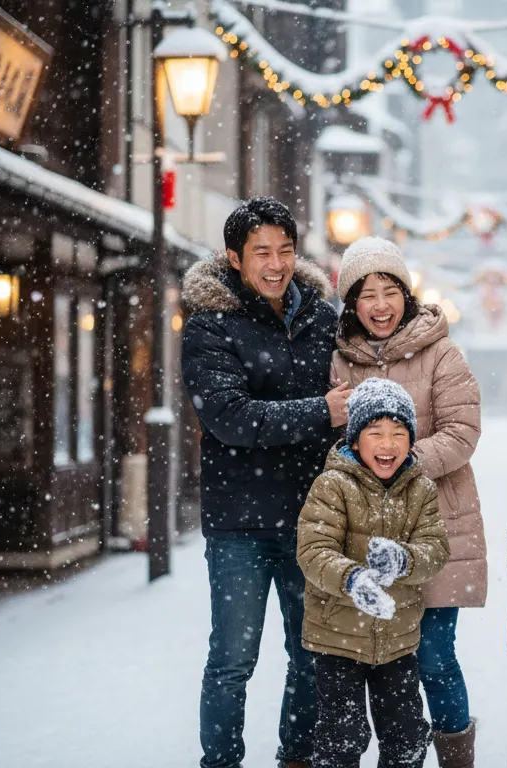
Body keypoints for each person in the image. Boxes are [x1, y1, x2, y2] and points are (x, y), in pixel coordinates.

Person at [181, 196, 351, 768]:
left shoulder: (323, 319)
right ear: (234, 258)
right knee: (233, 657)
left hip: (314, 519)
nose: (275, 264)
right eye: (261, 253)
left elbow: (382, 346)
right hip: (240, 523)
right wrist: (319, 413)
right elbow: (228, 418)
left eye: (284, 250)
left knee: (311, 653)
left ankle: (297, 756)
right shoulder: (210, 325)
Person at [331, 237, 486, 767]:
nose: (379, 304)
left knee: (435, 658)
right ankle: (400, 755)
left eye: (389, 290)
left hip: (434, 527)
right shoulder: (340, 362)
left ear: (406, 295)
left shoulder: (441, 351)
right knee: (380, 663)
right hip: (365, 537)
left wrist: (402, 457)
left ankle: (456, 758)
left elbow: (463, 431)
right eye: (366, 293)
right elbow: (332, 444)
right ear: (352, 304)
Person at [297, 377, 450, 768]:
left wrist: (404, 560)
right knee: (341, 737)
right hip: (336, 640)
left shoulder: (421, 489)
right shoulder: (332, 485)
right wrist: (352, 578)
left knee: (406, 735)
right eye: (376, 432)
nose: (388, 444)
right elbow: (314, 551)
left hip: (397, 640)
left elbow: (436, 548)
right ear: (354, 439)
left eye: (399, 433)